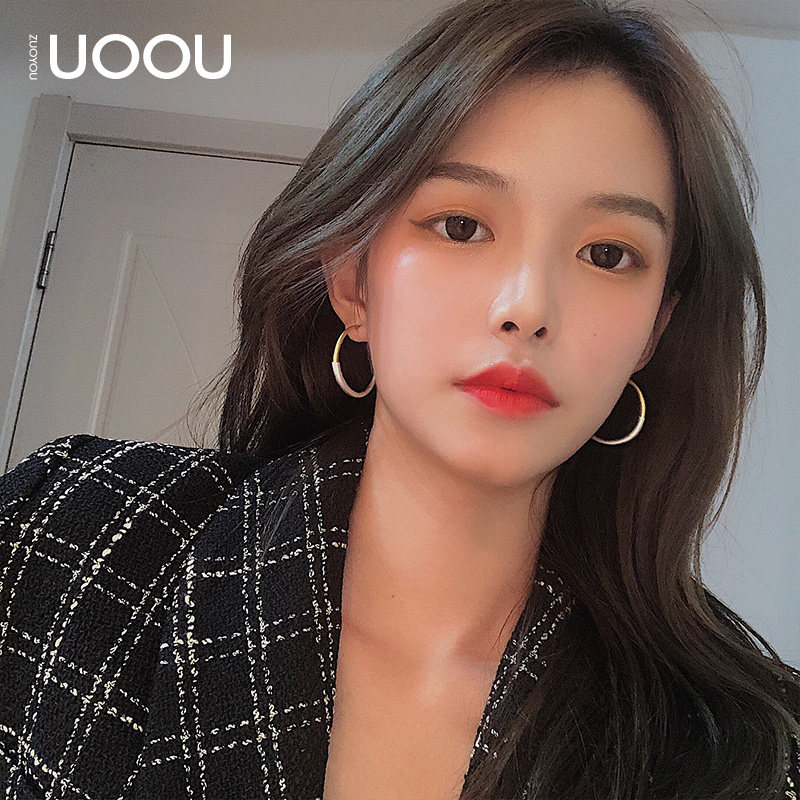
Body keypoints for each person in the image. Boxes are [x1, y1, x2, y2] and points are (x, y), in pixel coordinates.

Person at [0, 0, 798, 798]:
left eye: (608, 253)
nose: (527, 307)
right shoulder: (64, 534)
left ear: (653, 333)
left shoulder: (748, 750)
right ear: (354, 281)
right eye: (460, 226)